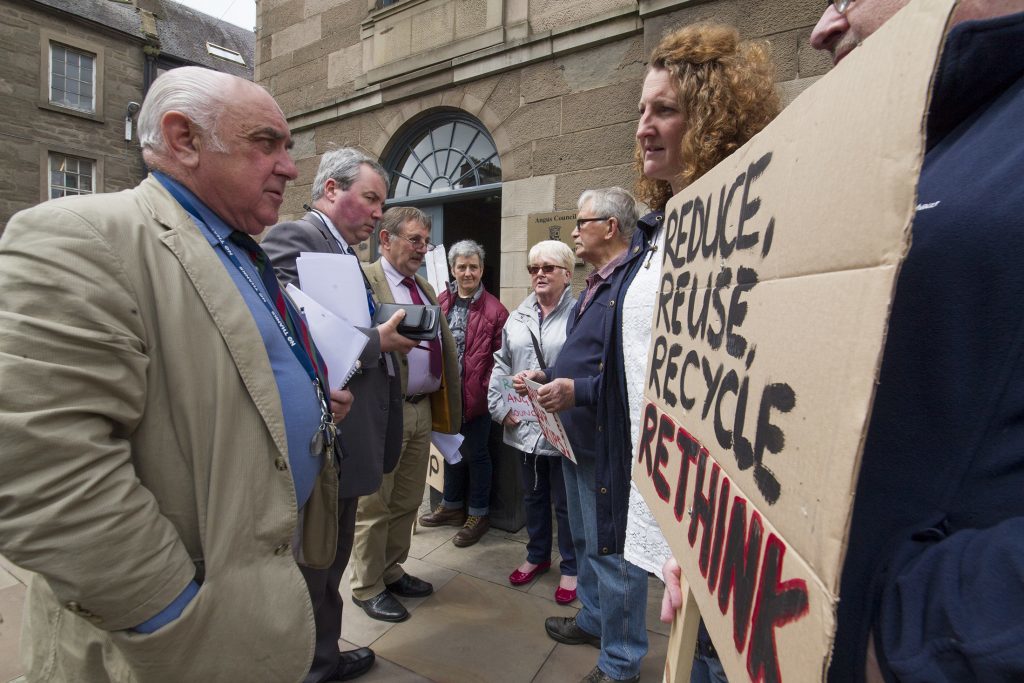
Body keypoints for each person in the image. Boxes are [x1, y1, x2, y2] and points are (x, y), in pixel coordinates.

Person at [663, 2, 1024, 681]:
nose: (822, 28)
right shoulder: (905, 148)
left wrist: (913, 636)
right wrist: (713, 531)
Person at [0, 66, 354, 682]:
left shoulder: (237, 245)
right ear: (183, 139)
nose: (291, 168)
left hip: (256, 597)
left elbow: (229, 375)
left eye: (288, 148)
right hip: (167, 647)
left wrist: (311, 400)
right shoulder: (78, 237)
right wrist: (174, 615)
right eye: (266, 143)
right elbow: (41, 471)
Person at [620, 23, 779, 683]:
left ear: (713, 114)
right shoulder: (663, 224)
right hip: (667, 499)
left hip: (721, 523)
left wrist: (718, 526)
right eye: (640, 111)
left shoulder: (751, 217)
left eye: (664, 109)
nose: (643, 127)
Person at [262, 147, 419, 682]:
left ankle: (323, 653)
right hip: (325, 436)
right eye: (371, 199)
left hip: (352, 434)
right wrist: (377, 339)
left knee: (331, 560)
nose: (379, 214)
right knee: (316, 562)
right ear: (331, 189)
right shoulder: (294, 238)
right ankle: (312, 665)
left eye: (382, 203)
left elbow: (334, 319)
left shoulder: (343, 252)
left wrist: (386, 323)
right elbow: (286, 329)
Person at [519, 187, 647, 683]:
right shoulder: (597, 283)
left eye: (581, 222)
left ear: (610, 227)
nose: (573, 231)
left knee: (613, 553)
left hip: (605, 443)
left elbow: (638, 375)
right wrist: (547, 380)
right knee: (586, 540)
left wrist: (581, 391)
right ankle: (594, 620)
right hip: (573, 439)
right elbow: (586, 357)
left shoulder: (634, 284)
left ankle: (621, 663)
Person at [349, 206, 462, 623]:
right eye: (413, 239)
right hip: (382, 410)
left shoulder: (425, 288)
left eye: (424, 242)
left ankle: (391, 570)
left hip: (421, 410)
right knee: (373, 504)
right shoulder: (365, 280)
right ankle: (366, 586)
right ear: (385, 239)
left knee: (408, 501)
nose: (421, 248)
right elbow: (347, 341)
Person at [488, 240, 579, 603]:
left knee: (566, 503)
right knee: (533, 495)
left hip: (563, 425)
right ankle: (537, 555)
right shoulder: (518, 315)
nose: (539, 274)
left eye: (548, 267)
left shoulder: (579, 313)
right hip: (524, 425)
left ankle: (571, 567)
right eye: (533, 268)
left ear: (567, 274)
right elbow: (501, 364)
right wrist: (499, 408)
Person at [419, 240, 508, 546]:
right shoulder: (441, 300)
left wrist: (484, 393)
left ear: (482, 269)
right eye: (461, 266)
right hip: (445, 396)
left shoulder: (496, 311)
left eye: (473, 266)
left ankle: (478, 513)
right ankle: (452, 506)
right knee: (450, 451)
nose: (468, 272)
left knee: (478, 454)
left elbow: (500, 360)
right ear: (453, 270)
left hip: (477, 399)